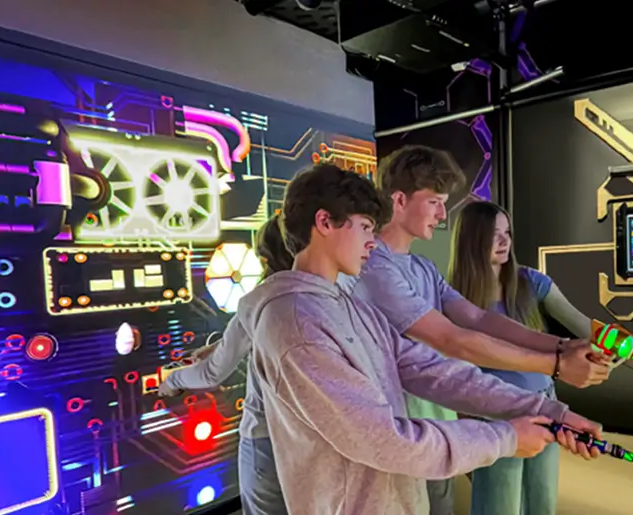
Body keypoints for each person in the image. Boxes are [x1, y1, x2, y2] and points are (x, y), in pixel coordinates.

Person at [242, 163, 603, 515]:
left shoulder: (352, 307)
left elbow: (434, 369)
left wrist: (546, 410)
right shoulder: (296, 323)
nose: (372, 241)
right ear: (324, 222)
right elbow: (382, 439)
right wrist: (506, 436)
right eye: (366, 227)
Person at [337, 145, 611, 514]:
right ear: (399, 200)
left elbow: (480, 319)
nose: (441, 213)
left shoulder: (421, 268)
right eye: (434, 201)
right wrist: (557, 365)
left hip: (436, 421)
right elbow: (452, 339)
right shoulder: (376, 268)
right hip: (396, 428)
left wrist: (562, 347)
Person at [448, 200, 633, 515]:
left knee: (542, 505)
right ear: (471, 238)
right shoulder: (451, 299)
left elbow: (602, 335)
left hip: (545, 406)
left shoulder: (532, 283)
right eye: (494, 234)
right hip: (494, 418)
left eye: (507, 233)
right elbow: (449, 375)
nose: (505, 242)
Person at [159, 214, 292, 515]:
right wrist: (216, 346)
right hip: (301, 440)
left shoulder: (259, 299)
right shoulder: (313, 296)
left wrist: (173, 381)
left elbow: (212, 372)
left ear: (262, 257)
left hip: (264, 441)